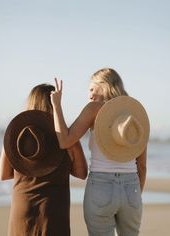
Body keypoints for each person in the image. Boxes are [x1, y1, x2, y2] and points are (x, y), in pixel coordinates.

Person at [50, 68, 150, 236]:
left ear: (104, 85)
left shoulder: (94, 109)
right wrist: (134, 196)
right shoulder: (135, 114)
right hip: (132, 188)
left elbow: (65, 140)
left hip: (101, 187)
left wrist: (57, 105)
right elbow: (142, 165)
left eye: (91, 89)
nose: (89, 95)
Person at [0, 83, 88, 236]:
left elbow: (4, 174)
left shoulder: (16, 134)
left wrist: (30, 169)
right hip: (53, 212)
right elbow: (82, 173)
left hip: (22, 210)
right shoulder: (65, 137)